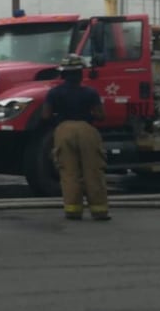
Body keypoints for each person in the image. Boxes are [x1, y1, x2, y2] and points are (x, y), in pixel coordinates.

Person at [41, 54, 109, 221]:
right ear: (81, 74)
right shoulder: (90, 92)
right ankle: (99, 211)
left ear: (63, 74)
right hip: (87, 131)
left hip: (63, 130)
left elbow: (45, 115)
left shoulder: (53, 93)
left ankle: (72, 210)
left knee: (69, 173)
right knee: (93, 171)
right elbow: (101, 115)